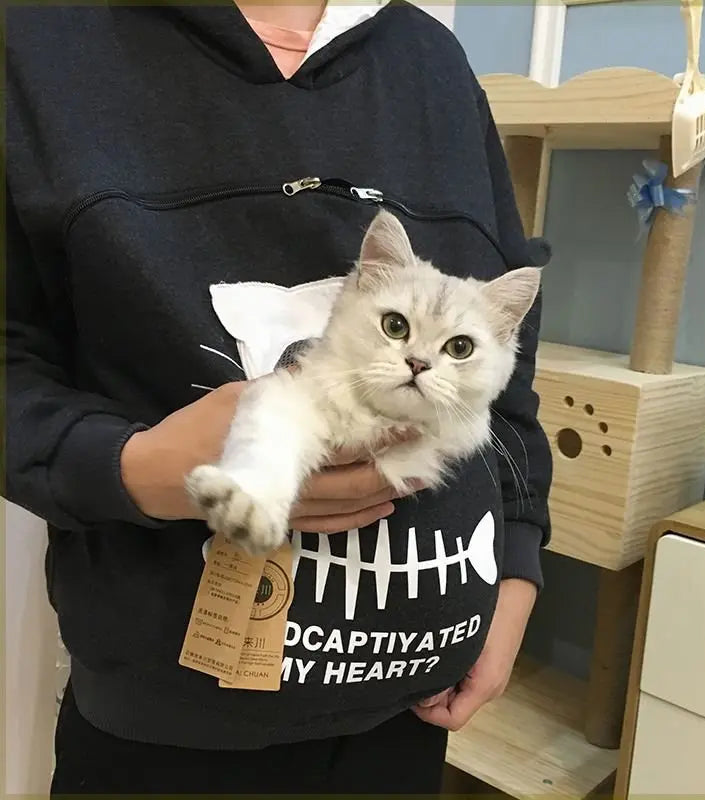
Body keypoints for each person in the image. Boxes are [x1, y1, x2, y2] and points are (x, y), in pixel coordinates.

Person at [5, 0, 553, 794]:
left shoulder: (433, 60)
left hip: (408, 712)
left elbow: (508, 371)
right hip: (165, 734)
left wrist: (518, 571)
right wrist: (134, 467)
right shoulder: (42, 37)